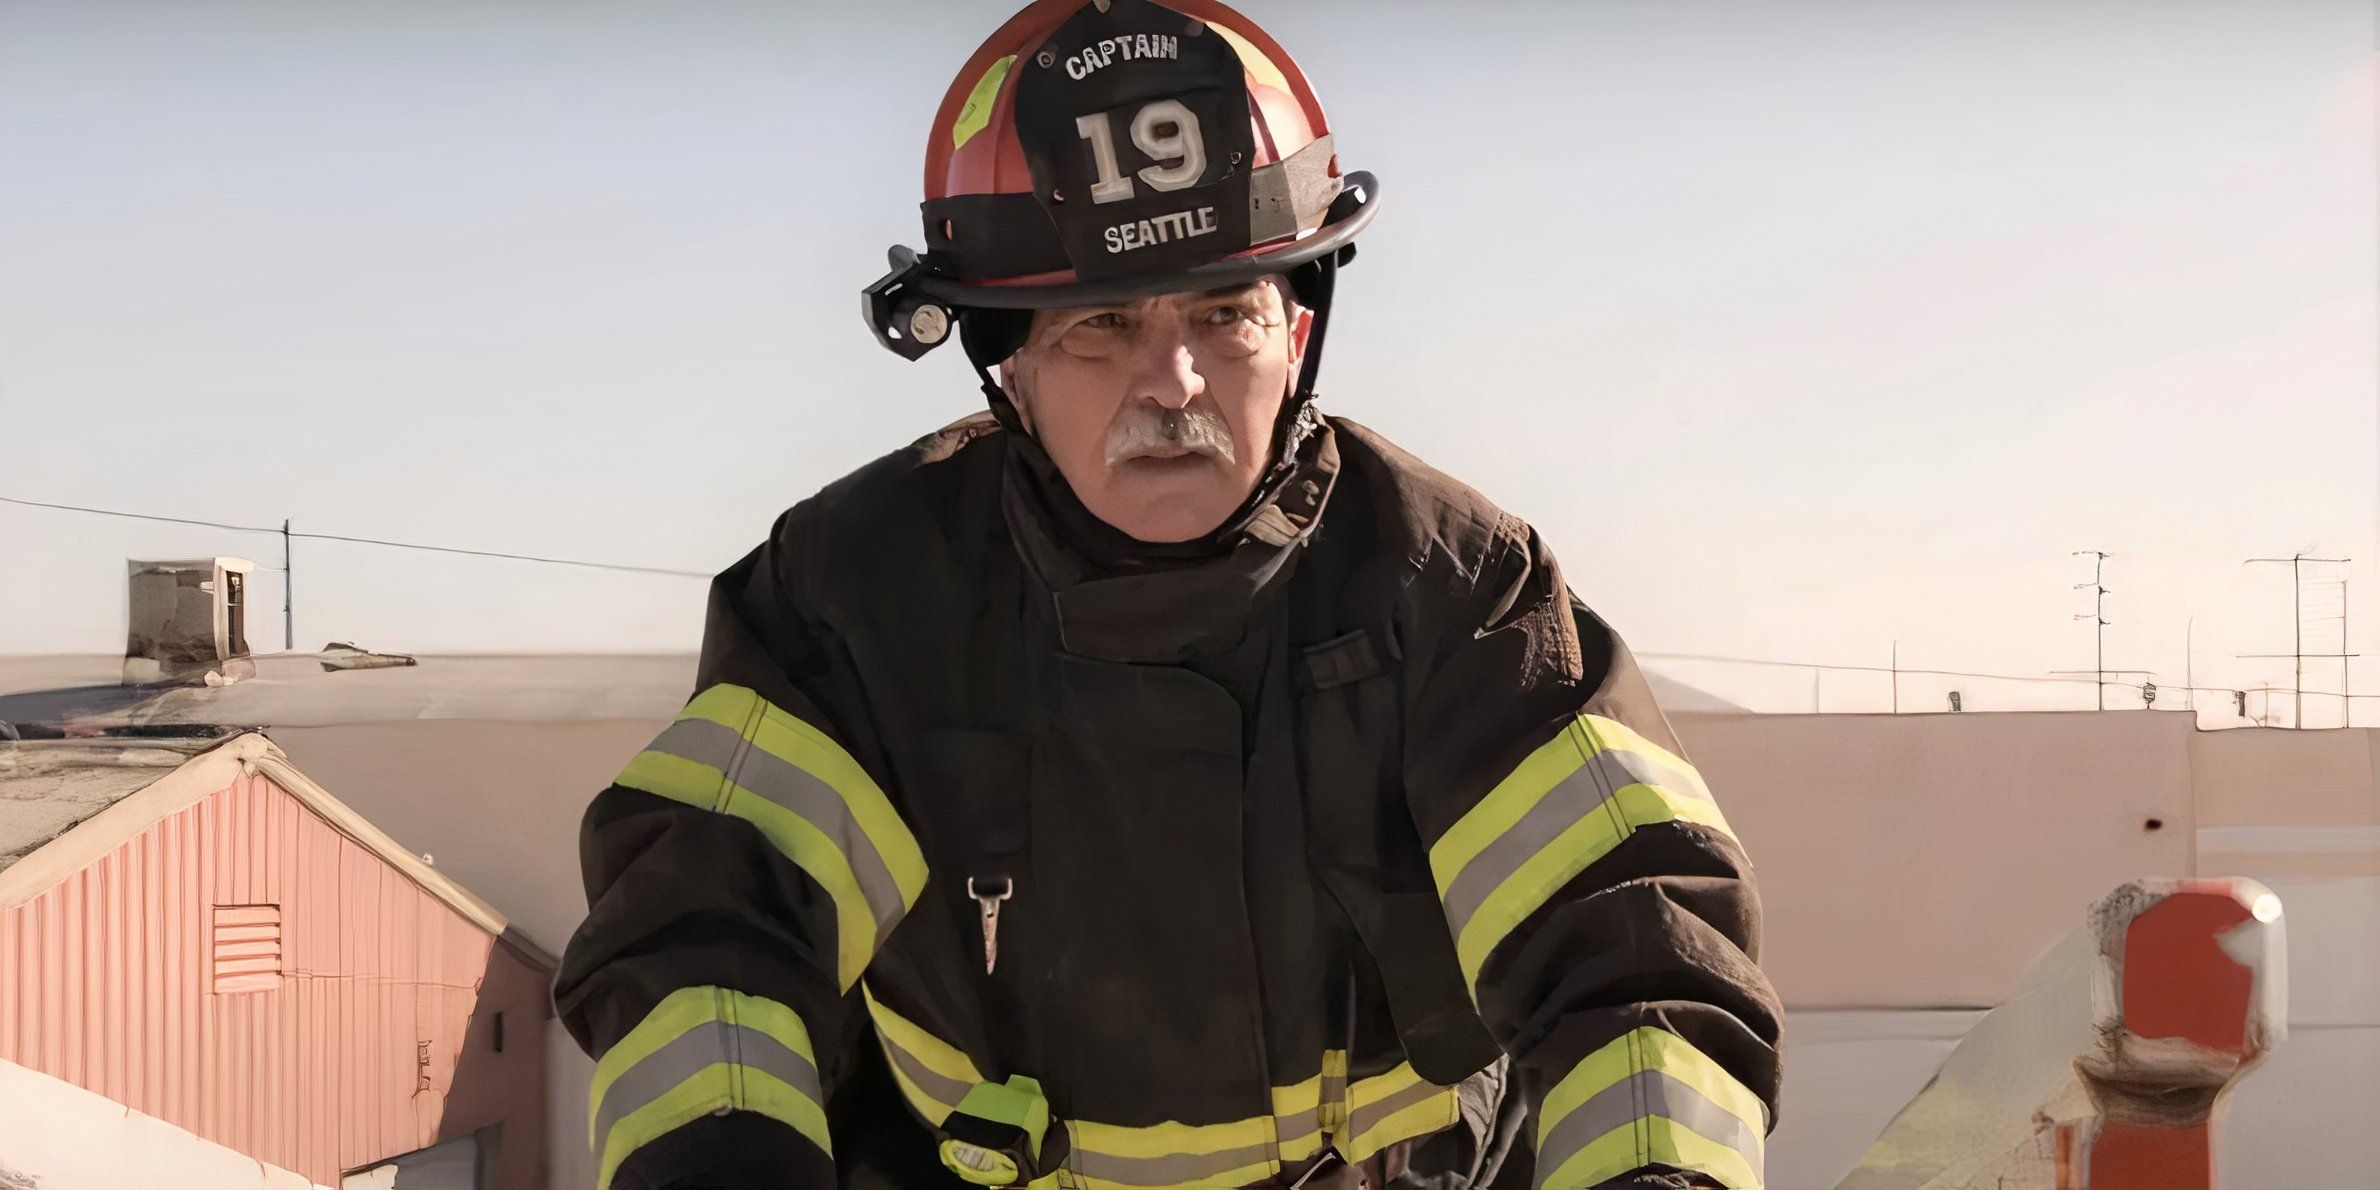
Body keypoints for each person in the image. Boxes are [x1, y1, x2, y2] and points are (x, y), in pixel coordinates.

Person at [553, 2, 1782, 1187]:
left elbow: (1635, 952)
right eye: (1098, 327)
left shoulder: (1452, 588)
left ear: (1295, 334)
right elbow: (707, 926)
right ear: (1011, 368)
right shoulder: (855, 598)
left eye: (1224, 312)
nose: (1172, 380)